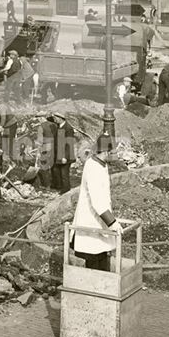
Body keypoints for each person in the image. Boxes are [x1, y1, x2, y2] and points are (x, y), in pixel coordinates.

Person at [71, 132, 121, 271]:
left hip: (99, 221)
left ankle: (103, 287)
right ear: (105, 151)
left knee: (102, 253)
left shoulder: (100, 164)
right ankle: (93, 289)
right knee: (93, 257)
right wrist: (112, 222)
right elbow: (97, 202)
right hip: (91, 220)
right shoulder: (93, 168)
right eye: (111, 151)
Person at [50, 113, 76, 194]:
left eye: (56, 117)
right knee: (56, 170)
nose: (54, 119)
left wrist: (65, 157)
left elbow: (69, 144)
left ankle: (66, 190)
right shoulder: (59, 126)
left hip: (65, 155)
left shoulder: (68, 128)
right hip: (59, 154)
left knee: (64, 173)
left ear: (61, 118)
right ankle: (60, 187)